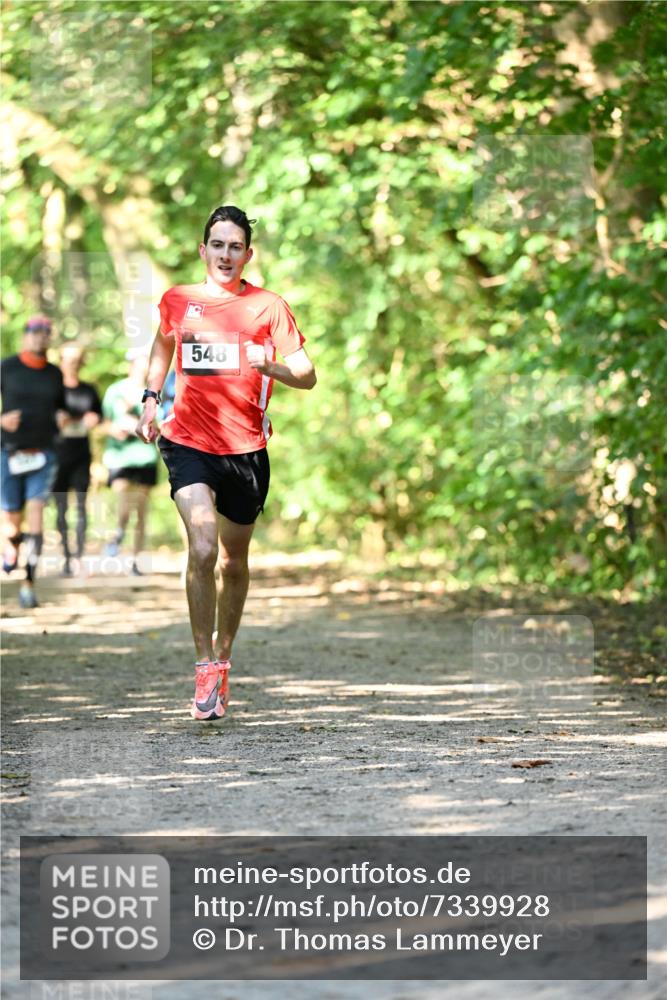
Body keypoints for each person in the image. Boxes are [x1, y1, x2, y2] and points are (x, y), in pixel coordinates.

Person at [136, 205, 316, 721]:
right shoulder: (178, 301)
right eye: (218, 245)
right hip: (188, 441)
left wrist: (272, 365)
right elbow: (163, 343)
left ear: (247, 254)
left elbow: (307, 375)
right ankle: (203, 666)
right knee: (202, 545)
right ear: (203, 249)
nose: (225, 254)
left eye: (235, 246)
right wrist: (151, 397)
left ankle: (225, 652)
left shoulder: (268, 308)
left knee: (234, 562)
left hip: (246, 452)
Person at [0, 315, 66, 609]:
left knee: (37, 513)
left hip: (44, 454)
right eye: (34, 331)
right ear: (25, 335)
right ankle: (11, 549)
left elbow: (60, 407)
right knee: (12, 525)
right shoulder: (7, 367)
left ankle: (29, 584)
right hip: (9, 452)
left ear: (50, 337)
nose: (40, 336)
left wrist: (63, 418)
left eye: (45, 332)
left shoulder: (54, 374)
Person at [101, 349, 158, 575]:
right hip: (119, 458)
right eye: (139, 362)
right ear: (131, 364)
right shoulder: (115, 391)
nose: (142, 367)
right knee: (124, 504)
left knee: (141, 512)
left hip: (145, 458)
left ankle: (136, 561)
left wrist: (144, 425)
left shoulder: (154, 393)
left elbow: (161, 426)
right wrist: (114, 429)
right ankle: (117, 534)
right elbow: (103, 423)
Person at [52, 343, 102, 576]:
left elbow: (99, 418)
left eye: (77, 359)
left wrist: (93, 420)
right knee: (60, 509)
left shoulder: (88, 390)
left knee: (81, 507)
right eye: (68, 359)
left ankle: (79, 559)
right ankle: (65, 557)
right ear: (61, 360)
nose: (72, 363)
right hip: (57, 455)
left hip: (82, 454)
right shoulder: (52, 389)